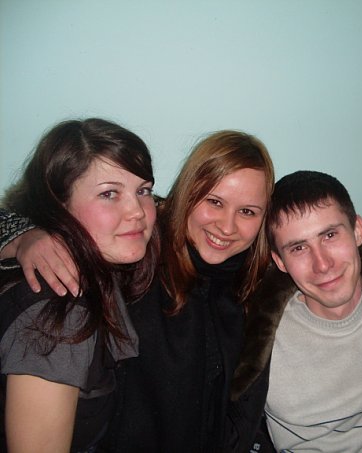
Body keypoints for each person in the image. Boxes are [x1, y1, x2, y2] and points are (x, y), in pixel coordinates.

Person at [0, 130, 275, 451]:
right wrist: (23, 235)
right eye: (214, 202)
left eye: (247, 211)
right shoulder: (136, 253)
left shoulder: (256, 283)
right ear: (187, 193)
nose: (227, 227)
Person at [228, 170, 362, 452]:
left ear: (358, 231)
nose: (322, 264)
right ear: (280, 261)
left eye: (330, 235)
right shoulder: (252, 334)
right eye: (298, 248)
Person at [0, 118, 160, 452]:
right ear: (58, 204)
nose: (137, 211)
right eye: (109, 193)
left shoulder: (100, 271)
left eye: (143, 190)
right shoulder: (60, 312)